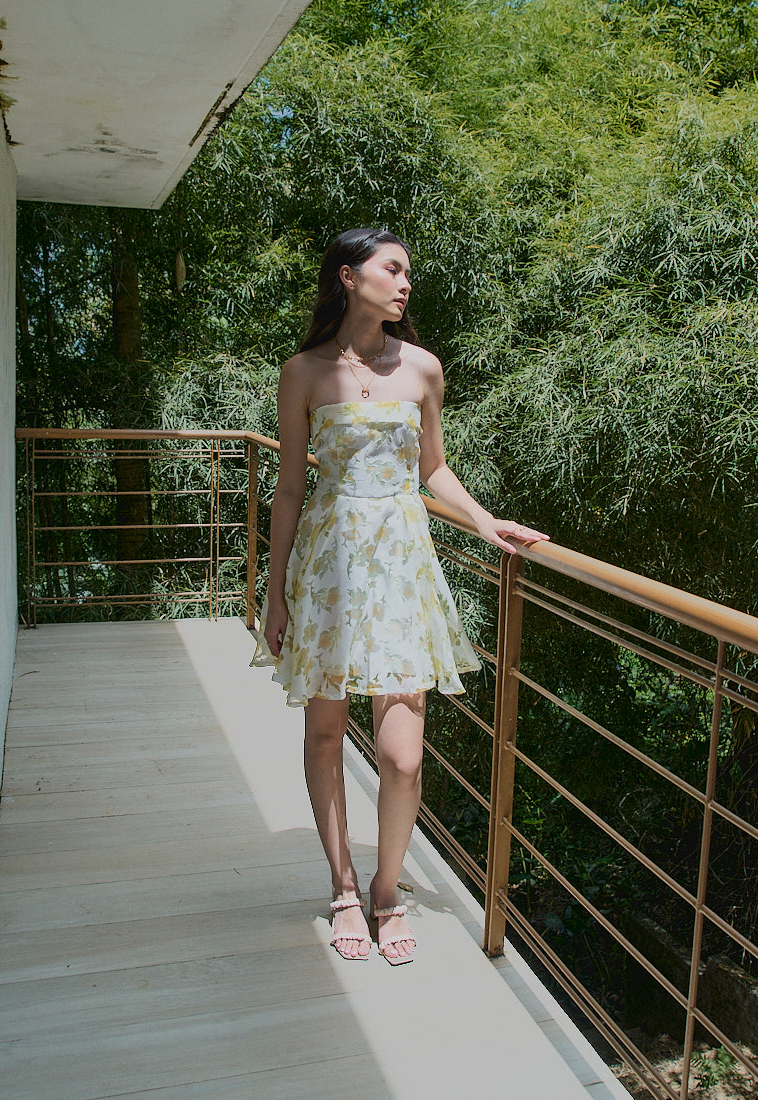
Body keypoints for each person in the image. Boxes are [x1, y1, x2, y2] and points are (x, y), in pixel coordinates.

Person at [252, 228, 549, 965]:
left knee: (404, 757)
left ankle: (388, 892)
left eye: (408, 271)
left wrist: (485, 521)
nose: (405, 282)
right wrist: (275, 594)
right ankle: (344, 889)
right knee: (326, 734)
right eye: (392, 269)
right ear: (349, 277)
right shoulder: (304, 372)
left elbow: (432, 468)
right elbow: (288, 488)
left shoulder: (421, 367)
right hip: (328, 567)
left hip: (401, 566)